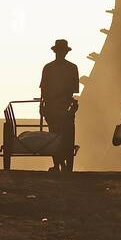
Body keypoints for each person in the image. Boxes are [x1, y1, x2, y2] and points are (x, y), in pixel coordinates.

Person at [40, 38, 80, 172]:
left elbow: (43, 90)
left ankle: (58, 164)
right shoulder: (72, 68)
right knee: (65, 137)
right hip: (64, 108)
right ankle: (62, 165)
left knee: (54, 136)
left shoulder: (48, 68)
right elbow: (73, 89)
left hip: (54, 108)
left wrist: (43, 106)